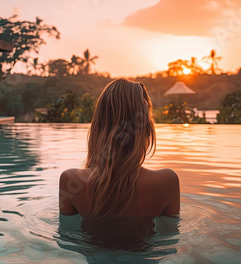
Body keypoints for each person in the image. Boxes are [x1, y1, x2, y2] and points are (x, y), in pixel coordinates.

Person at [59, 79, 180, 218]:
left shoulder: (71, 181)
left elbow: (67, 235)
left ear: (98, 126)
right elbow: (169, 235)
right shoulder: (166, 181)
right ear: (146, 129)